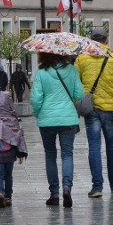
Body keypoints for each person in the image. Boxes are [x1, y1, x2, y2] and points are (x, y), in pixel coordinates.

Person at [75, 27, 113, 198]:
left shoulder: (81, 59)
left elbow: (76, 84)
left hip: (91, 110)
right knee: (112, 147)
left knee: (94, 147)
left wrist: (78, 103)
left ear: (91, 41)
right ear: (106, 40)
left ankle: (97, 187)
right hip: (111, 109)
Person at [31, 52, 84, 208]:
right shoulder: (72, 70)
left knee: (50, 155)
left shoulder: (41, 72)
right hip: (68, 118)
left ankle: (54, 194)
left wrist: (37, 113)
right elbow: (80, 94)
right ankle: (67, 188)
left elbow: (35, 98)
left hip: (47, 119)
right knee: (67, 154)